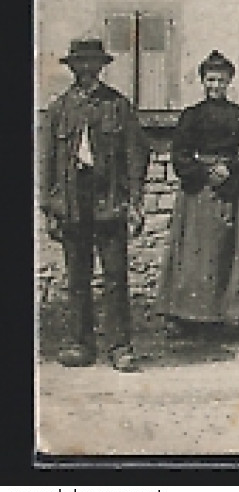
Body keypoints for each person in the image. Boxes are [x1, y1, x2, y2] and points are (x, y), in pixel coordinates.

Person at [39, 39, 150, 371]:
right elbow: (47, 163)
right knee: (77, 277)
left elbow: (137, 155)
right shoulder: (60, 109)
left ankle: (120, 347)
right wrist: (50, 208)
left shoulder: (117, 106)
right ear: (71, 67)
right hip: (73, 204)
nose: (85, 69)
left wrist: (134, 202)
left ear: (101, 66)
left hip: (110, 202)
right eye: (79, 63)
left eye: (92, 63)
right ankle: (80, 344)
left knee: (116, 276)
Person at [155, 50, 239, 333]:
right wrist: (204, 172)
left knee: (234, 249)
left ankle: (233, 313)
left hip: (234, 187)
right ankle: (188, 315)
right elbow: (179, 154)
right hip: (199, 191)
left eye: (221, 80)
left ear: (230, 81)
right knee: (194, 251)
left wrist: (231, 169)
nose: (216, 85)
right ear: (202, 81)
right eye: (210, 80)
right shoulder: (191, 116)